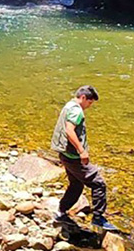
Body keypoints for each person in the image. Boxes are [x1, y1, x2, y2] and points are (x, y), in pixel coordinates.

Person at [50, 85, 119, 232]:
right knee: (98, 183)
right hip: (73, 156)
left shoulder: (69, 105)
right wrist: (82, 151)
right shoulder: (76, 110)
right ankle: (98, 218)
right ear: (83, 98)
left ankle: (60, 212)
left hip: (64, 154)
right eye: (90, 102)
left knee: (76, 185)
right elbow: (69, 130)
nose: (89, 106)